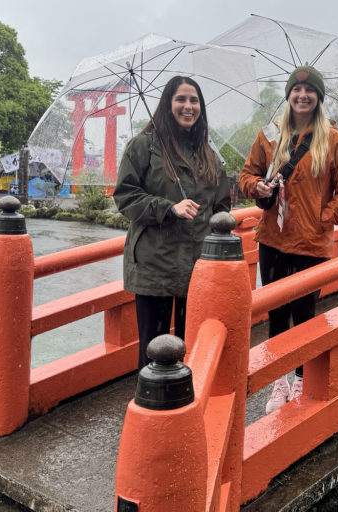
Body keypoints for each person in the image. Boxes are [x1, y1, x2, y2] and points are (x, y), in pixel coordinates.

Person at [239, 66, 338, 412]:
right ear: (289, 94)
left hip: (311, 243)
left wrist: (324, 218)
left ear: (318, 98)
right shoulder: (270, 134)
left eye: (310, 91)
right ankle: (279, 382)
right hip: (272, 239)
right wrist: (257, 187)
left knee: (304, 315)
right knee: (276, 314)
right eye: (297, 90)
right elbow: (247, 175)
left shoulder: (334, 140)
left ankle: (303, 380)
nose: (303, 96)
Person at [114, 76, 231, 369]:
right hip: (155, 265)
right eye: (181, 99)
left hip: (198, 265)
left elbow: (221, 207)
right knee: (154, 351)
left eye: (194, 100)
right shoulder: (143, 147)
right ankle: (149, 398)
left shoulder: (209, 154)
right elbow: (126, 197)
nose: (188, 106)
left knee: (192, 347)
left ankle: (188, 399)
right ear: (168, 104)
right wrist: (168, 208)